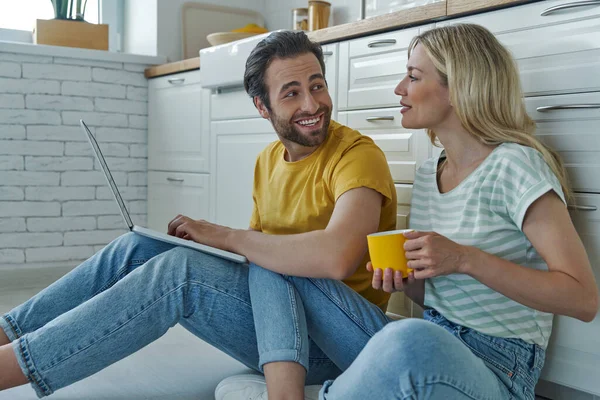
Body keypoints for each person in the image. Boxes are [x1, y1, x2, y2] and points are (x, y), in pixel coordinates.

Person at [0, 31, 399, 399]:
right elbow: (261, 264)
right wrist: (214, 249)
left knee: (180, 274)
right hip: (278, 325)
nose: (312, 104)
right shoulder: (267, 162)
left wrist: (223, 236)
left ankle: (11, 368)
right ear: (262, 106)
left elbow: (337, 256)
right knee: (138, 247)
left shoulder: (357, 156)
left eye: (317, 86)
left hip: (330, 347)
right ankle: (7, 332)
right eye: (291, 93)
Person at [313, 23, 599, 400]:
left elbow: (583, 300)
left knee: (407, 338)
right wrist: (406, 280)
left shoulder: (516, 166)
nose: (399, 89)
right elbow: (442, 295)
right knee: (306, 278)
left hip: (499, 366)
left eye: (413, 77)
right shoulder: (429, 173)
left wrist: (465, 258)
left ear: (459, 88)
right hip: (436, 339)